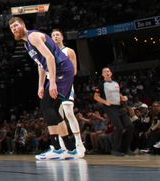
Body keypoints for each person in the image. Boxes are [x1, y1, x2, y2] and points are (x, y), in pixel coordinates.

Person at [8, 17, 78, 160]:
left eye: (16, 25)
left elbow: (50, 58)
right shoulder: (27, 44)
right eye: (11, 28)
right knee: (53, 108)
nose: (14, 29)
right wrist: (40, 85)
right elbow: (41, 64)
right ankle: (70, 149)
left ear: (23, 25)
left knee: (47, 105)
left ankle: (58, 149)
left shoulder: (33, 36)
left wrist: (52, 82)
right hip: (58, 72)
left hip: (62, 70)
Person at [51, 29, 85, 157]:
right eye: (53, 35)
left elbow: (74, 71)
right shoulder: (49, 53)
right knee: (58, 116)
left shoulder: (69, 51)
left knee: (69, 112)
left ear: (62, 37)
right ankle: (62, 145)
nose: (55, 37)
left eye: (57, 34)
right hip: (54, 86)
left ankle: (78, 143)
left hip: (66, 84)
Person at [93, 67, 133, 156]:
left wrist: (123, 98)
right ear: (103, 74)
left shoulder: (116, 83)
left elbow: (118, 93)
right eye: (105, 71)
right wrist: (104, 101)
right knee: (119, 127)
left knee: (129, 126)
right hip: (110, 108)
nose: (107, 72)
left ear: (111, 73)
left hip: (119, 107)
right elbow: (95, 97)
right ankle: (115, 149)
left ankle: (126, 149)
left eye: (108, 71)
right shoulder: (101, 84)